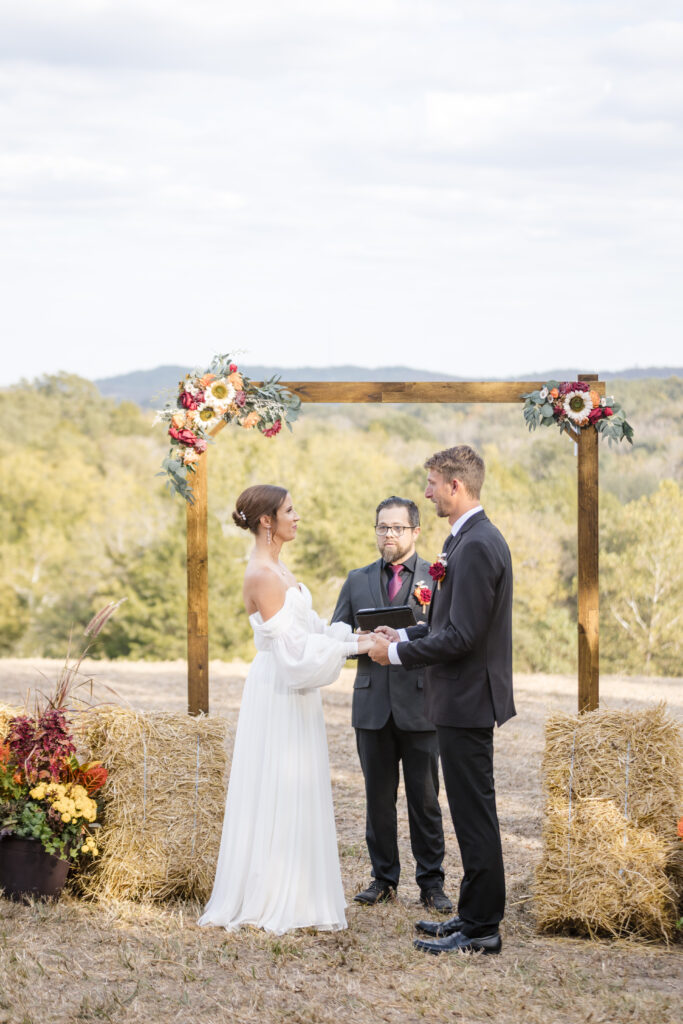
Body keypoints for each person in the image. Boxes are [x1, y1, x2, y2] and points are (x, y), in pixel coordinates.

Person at [199, 484, 375, 935]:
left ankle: (299, 889)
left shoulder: (279, 565)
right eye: (290, 511)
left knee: (296, 785)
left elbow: (313, 629)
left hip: (294, 693)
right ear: (266, 522)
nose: (297, 518)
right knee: (275, 785)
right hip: (279, 688)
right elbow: (296, 657)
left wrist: (365, 637)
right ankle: (269, 895)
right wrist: (358, 647)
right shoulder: (261, 573)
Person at [368, 446, 515, 955]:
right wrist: (404, 636)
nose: (426, 491)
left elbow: (465, 638)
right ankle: (473, 919)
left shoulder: (476, 545)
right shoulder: (468, 539)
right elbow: (449, 626)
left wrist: (398, 658)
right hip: (461, 698)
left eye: (432, 483)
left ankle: (481, 929)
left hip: (467, 698)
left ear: (456, 486)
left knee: (475, 815)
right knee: (472, 813)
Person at [331, 497, 451, 912]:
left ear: (416, 531)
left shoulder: (437, 578)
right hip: (372, 707)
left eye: (397, 528)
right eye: (382, 527)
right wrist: (366, 642)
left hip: (420, 705)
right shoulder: (356, 580)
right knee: (377, 799)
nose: (388, 535)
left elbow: (443, 635)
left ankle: (432, 884)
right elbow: (337, 638)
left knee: (425, 799)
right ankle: (383, 879)